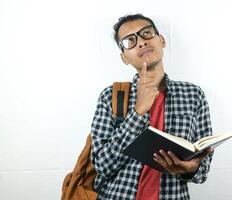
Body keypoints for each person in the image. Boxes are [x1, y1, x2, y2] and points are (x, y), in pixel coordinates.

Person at [90, 13, 214, 200]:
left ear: (162, 40)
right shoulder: (111, 96)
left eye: (147, 33)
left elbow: (202, 170)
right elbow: (102, 167)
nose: (141, 42)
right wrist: (138, 112)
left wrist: (190, 168)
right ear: (124, 57)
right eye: (130, 40)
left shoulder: (193, 95)